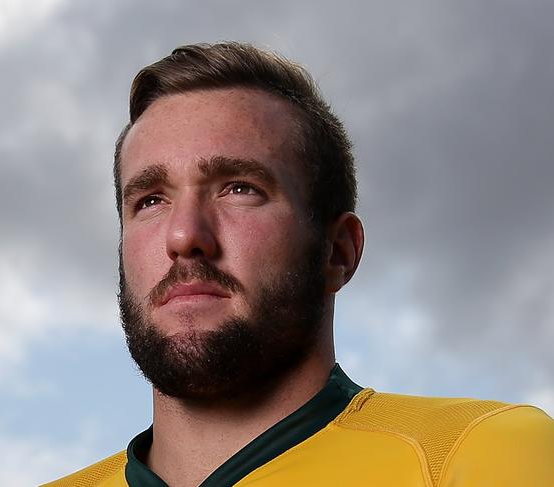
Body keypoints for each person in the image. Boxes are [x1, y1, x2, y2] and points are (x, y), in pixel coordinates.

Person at [43, 42, 554, 487]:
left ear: (338, 251)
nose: (184, 237)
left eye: (240, 189)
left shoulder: (477, 455)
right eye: (150, 200)